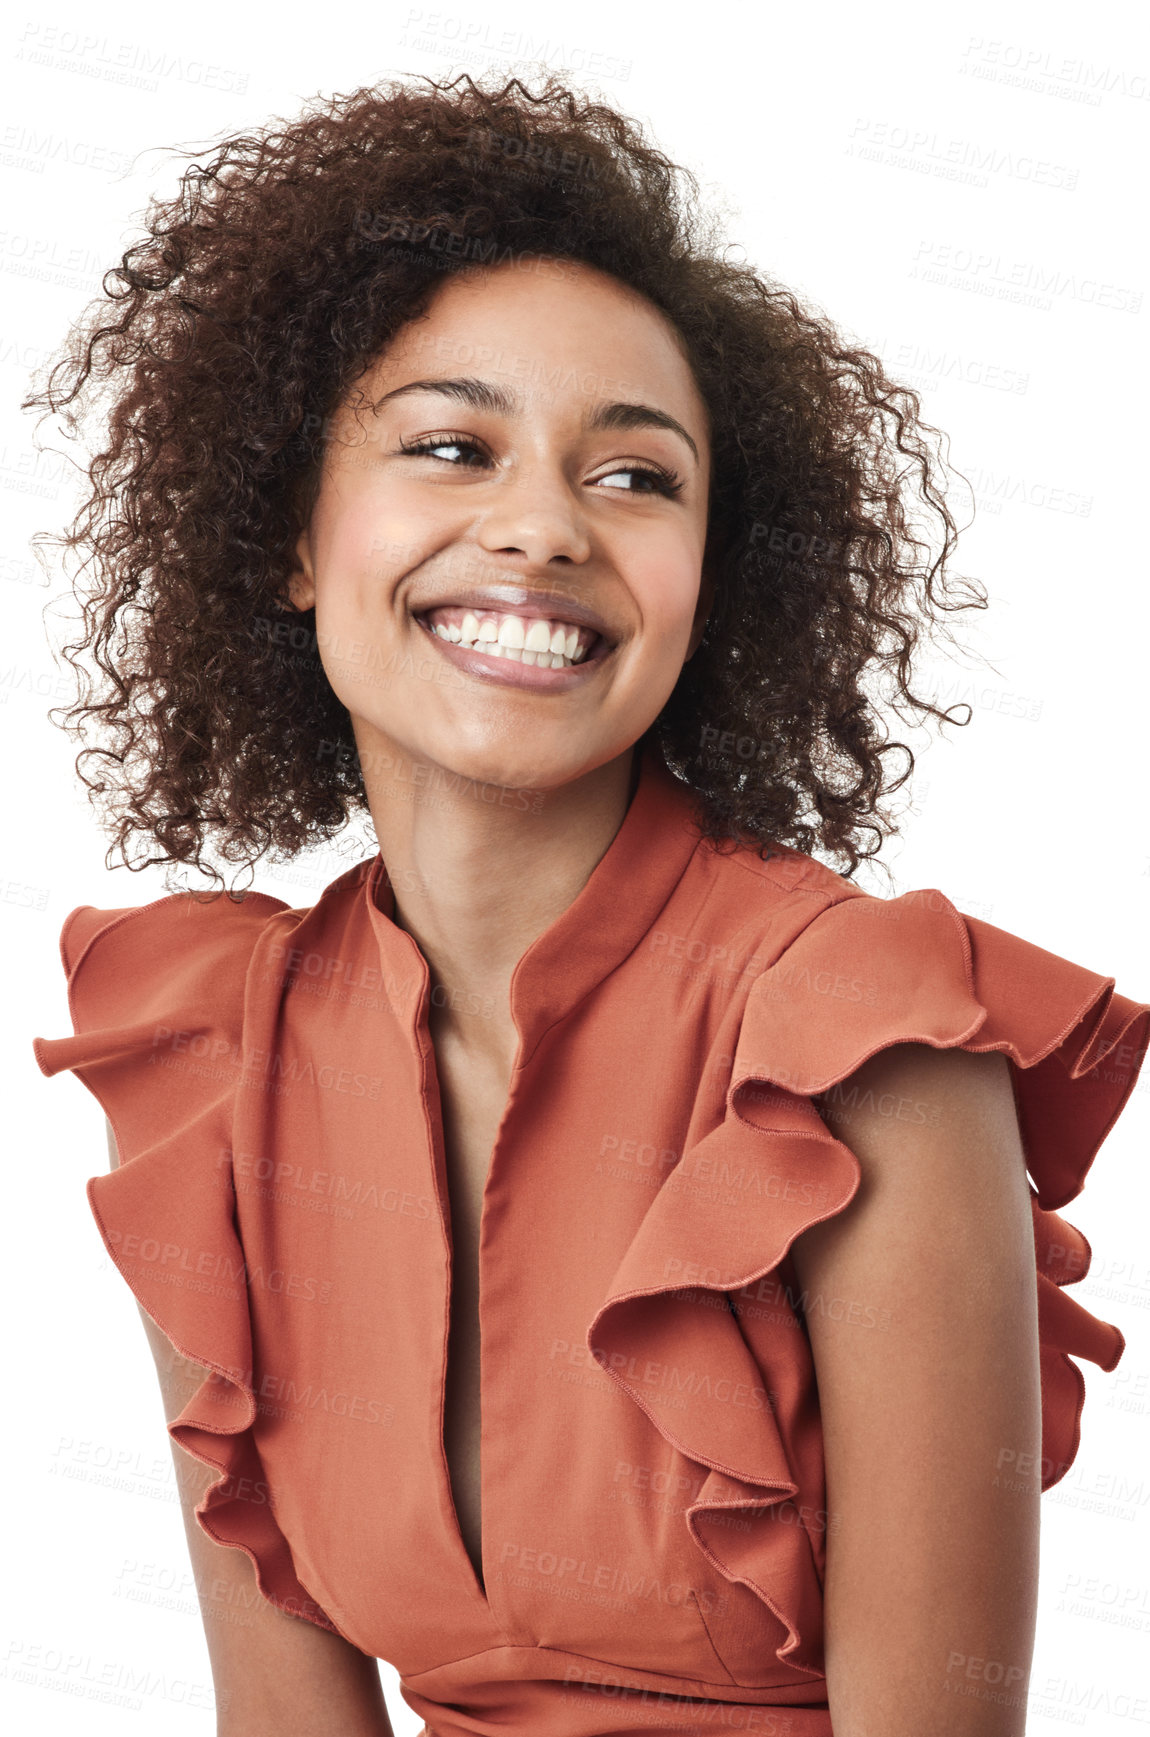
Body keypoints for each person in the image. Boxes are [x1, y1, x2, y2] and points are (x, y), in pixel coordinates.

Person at [29, 70, 1149, 1737]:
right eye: (450, 446)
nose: (543, 526)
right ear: (289, 532)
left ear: (718, 579)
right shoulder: (207, 1061)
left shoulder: (856, 1042)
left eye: (636, 477)